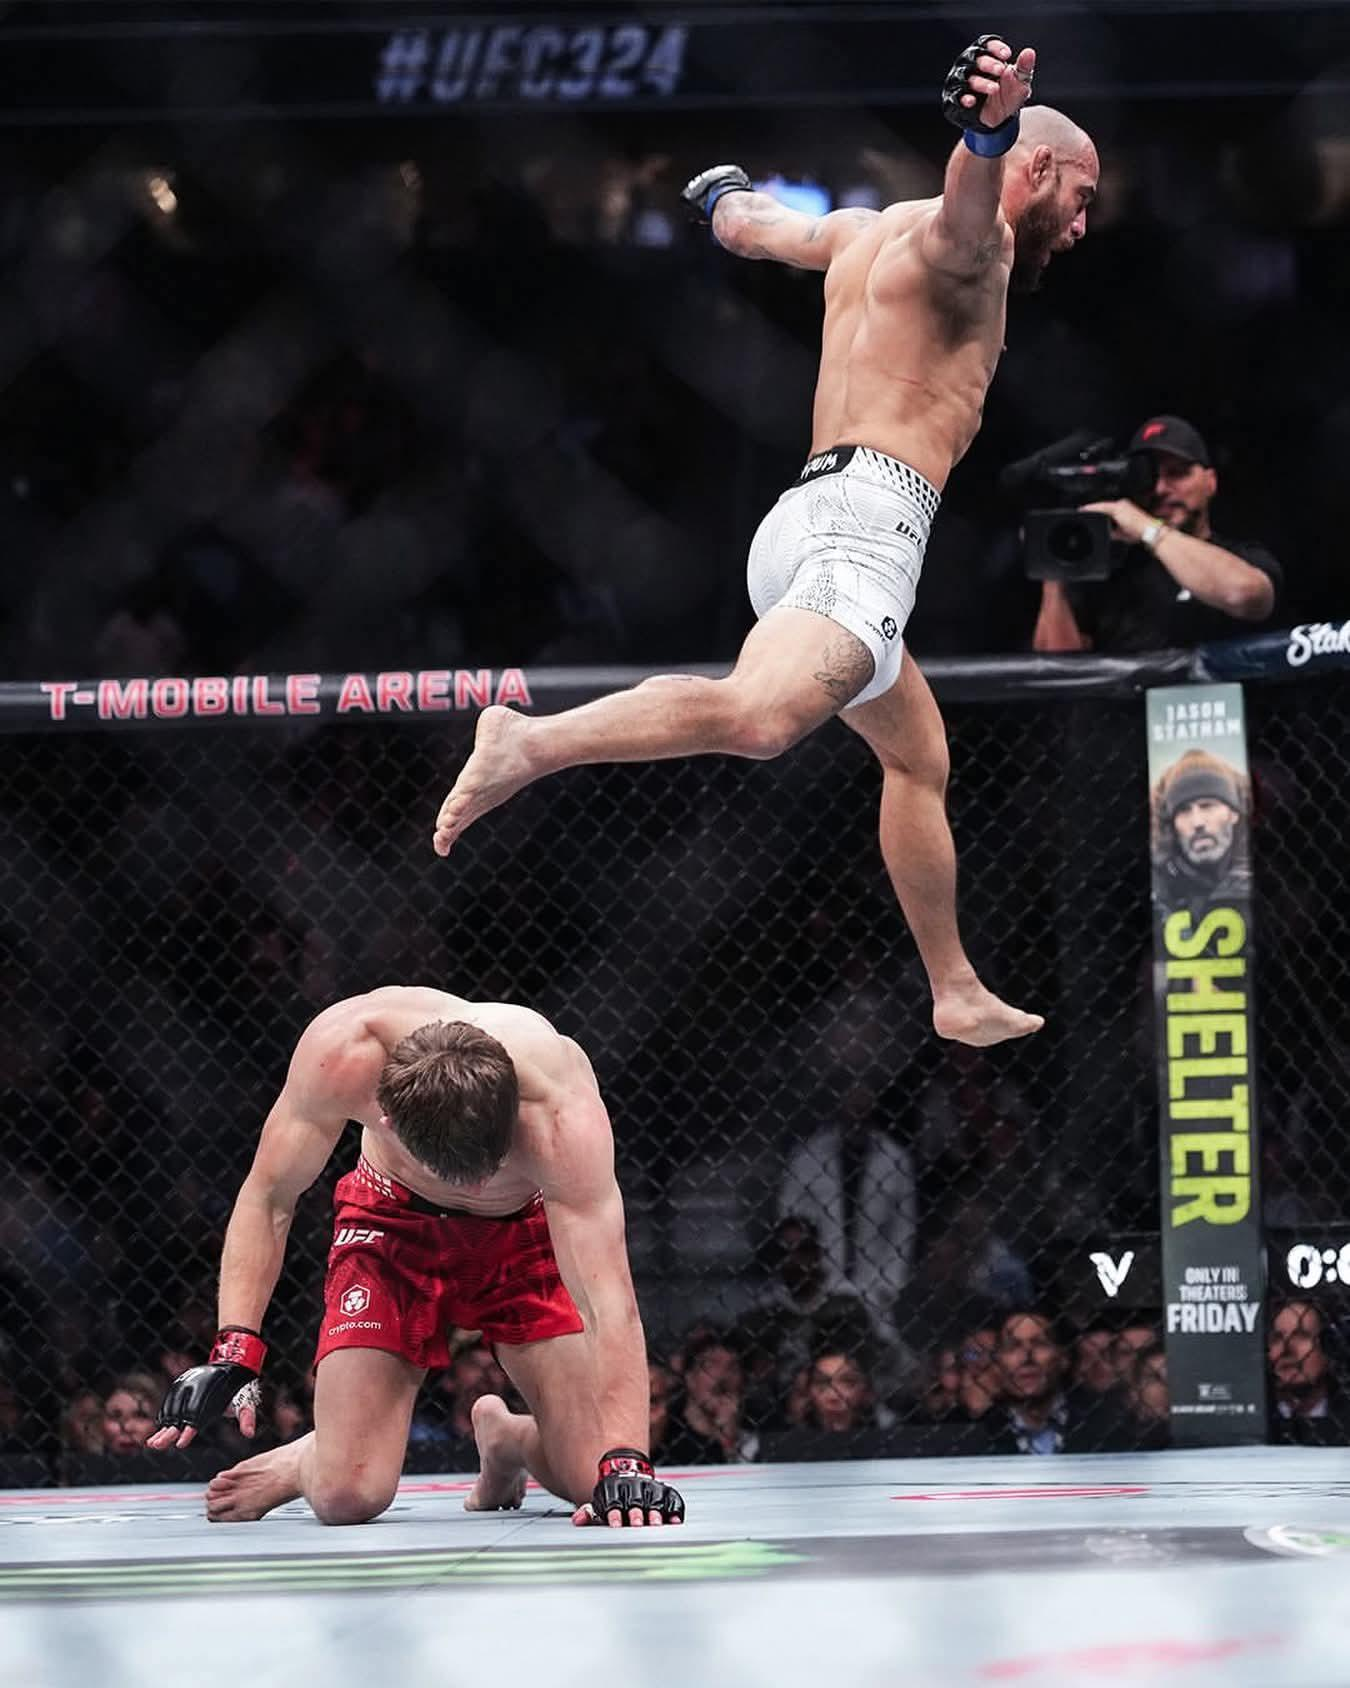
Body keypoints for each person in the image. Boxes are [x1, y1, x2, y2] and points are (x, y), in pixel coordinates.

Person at [431, 34, 1101, 1051]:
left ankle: (954, 985)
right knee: (760, 718)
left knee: (918, 755)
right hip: (866, 528)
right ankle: (528, 741)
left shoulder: (862, 232)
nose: (1085, 225)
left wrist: (720, 195)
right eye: (1082, 197)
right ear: (1038, 168)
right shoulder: (975, 246)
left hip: (805, 521)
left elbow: (752, 229)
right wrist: (986, 132)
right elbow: (970, 207)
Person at [147, 986, 685, 1528]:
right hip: (390, 1225)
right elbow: (269, 1198)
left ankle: (508, 1438)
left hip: (523, 1229)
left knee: (595, 1478)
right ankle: (315, 1456)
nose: (475, 1187)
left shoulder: (560, 1114)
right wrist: (234, 1349)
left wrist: (627, 1461)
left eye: (491, 1165)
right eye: (458, 1173)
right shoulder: (343, 1054)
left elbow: (608, 1299)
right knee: (346, 1497)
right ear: (387, 1120)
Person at [1034, 414, 1282, 652]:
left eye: (1177, 473)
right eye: (1148, 476)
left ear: (1210, 481)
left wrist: (1147, 528)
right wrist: (1054, 569)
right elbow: (1056, 667)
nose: (1160, 489)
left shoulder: (1242, 557)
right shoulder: (1110, 572)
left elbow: (1245, 595)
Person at [1151, 749, 1251, 917]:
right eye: (1183, 810)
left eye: (1207, 806)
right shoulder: (1158, 889)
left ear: (1234, 813)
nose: (1197, 822)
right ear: (1172, 825)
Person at [1268, 1299, 1350, 1446]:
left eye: (1301, 1335)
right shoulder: (1254, 1421)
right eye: (1277, 1338)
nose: (1286, 1349)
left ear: (1328, 1347)